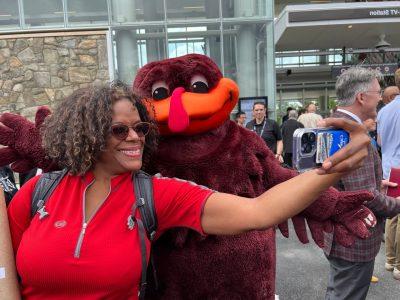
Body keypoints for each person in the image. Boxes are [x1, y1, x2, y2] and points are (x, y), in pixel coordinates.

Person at [6, 82, 371, 299]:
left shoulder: (154, 194)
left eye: (141, 128)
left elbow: (259, 212)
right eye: (120, 130)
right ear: (87, 135)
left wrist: (330, 170)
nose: (135, 137)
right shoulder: (40, 192)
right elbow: (5, 271)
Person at [324, 67, 400, 300]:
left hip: (341, 235)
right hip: (354, 239)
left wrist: (378, 184)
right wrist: (395, 204)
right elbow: (364, 194)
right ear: (361, 97)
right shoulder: (351, 133)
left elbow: (350, 184)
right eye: (378, 92)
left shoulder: (338, 128)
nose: (381, 97)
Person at [377, 72, 400, 280]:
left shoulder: (383, 112)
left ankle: (390, 260)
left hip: (389, 166)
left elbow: (380, 142)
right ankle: (399, 266)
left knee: (393, 214)